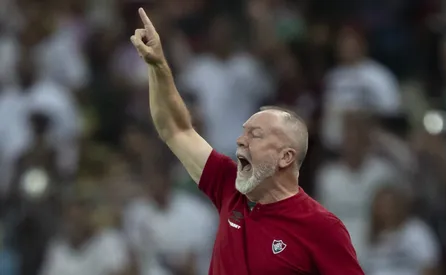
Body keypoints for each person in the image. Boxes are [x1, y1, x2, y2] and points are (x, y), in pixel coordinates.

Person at [130, 8, 364, 275]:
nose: (241, 141)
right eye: (244, 132)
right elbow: (175, 129)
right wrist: (158, 66)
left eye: (256, 135)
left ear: (285, 157)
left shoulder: (321, 227)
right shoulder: (229, 188)